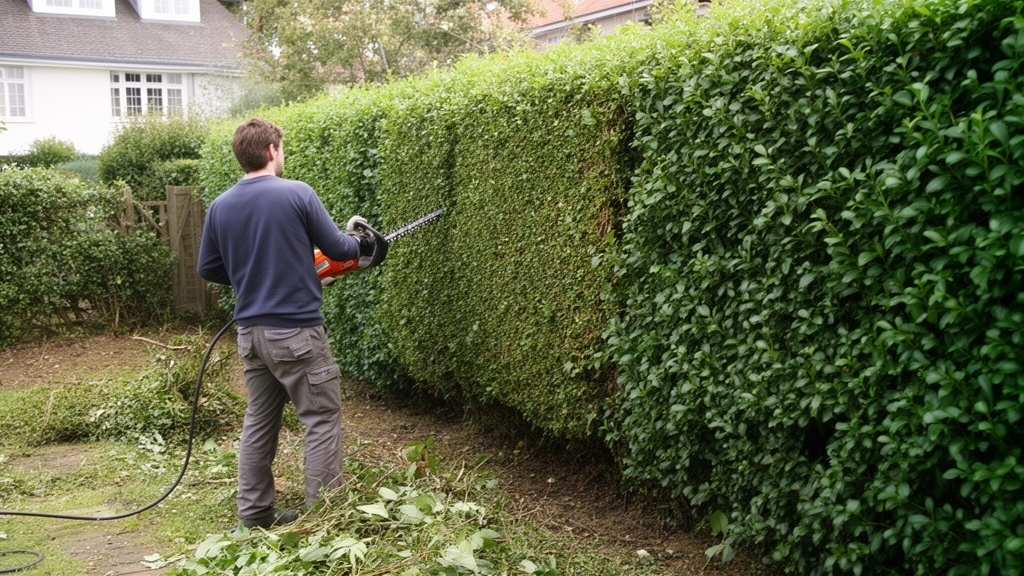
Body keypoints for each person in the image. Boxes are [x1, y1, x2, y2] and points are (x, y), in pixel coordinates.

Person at [197, 118, 386, 529]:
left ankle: (253, 515)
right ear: (270, 151)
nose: (282, 156)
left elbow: (208, 267)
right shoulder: (296, 192)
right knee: (320, 417)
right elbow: (338, 246)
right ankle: (326, 520)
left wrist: (263, 273)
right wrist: (366, 245)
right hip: (297, 333)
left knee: (259, 421)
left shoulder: (220, 205)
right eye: (280, 149)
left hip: (250, 336)